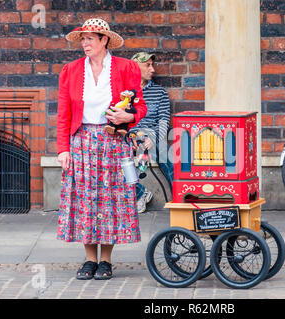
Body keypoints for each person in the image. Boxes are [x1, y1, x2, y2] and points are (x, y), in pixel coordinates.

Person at [56, 18, 147, 280]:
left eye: (90, 39)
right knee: (85, 199)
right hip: (81, 140)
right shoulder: (71, 70)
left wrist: (127, 118)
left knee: (111, 200)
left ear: (104, 40)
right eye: (82, 39)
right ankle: (89, 260)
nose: (85, 44)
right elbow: (63, 113)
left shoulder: (127, 67)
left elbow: (140, 107)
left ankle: (106, 261)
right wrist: (63, 148)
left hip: (113, 141)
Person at [130, 52, 173, 213]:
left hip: (153, 135)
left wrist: (153, 138)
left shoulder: (160, 93)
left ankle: (180, 201)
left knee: (170, 159)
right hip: (130, 137)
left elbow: (163, 120)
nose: (152, 69)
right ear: (135, 67)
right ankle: (140, 193)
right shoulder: (124, 92)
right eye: (147, 65)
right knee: (113, 159)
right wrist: (131, 136)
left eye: (152, 65)